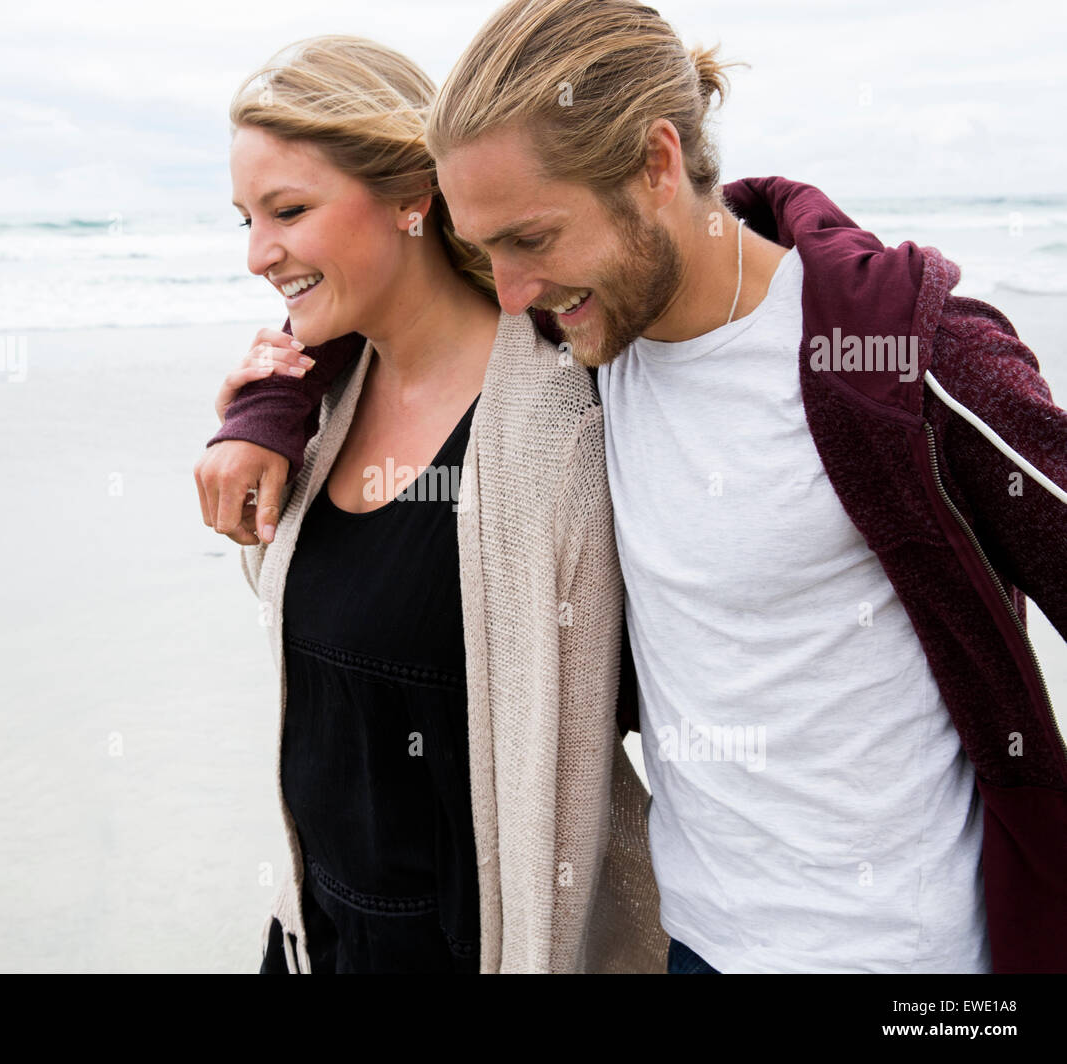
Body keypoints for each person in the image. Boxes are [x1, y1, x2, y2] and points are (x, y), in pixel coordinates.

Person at [198, 1, 1067, 973]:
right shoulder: (595, 343)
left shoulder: (884, 357)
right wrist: (266, 410)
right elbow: (401, 314)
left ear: (656, 164)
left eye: (529, 239)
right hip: (693, 945)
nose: (513, 291)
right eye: (491, 250)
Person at [201, 32, 667, 973]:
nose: (258, 253)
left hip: (491, 944)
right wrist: (264, 409)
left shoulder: (567, 409)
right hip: (318, 936)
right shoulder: (316, 405)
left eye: (288, 209)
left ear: (415, 197)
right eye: (244, 217)